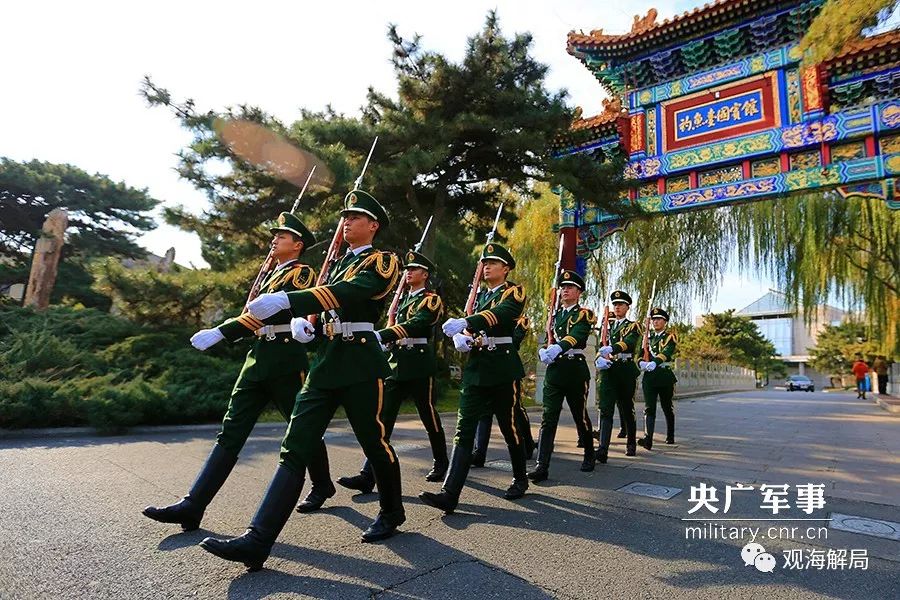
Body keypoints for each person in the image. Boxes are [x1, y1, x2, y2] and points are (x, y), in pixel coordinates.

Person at [198, 190, 405, 571]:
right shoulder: (337, 264)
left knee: (373, 443)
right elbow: (327, 302)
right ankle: (258, 540)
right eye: (344, 217)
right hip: (326, 364)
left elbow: (355, 292)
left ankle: (392, 511)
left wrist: (290, 302)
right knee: (294, 446)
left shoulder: (384, 260)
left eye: (354, 217)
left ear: (372, 225)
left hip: (360, 363)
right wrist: (308, 326)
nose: (345, 222)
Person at [142, 212, 334, 531]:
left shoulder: (301, 273)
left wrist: (224, 330)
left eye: (282, 236)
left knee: (302, 428)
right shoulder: (270, 275)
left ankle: (322, 483)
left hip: (285, 360)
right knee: (231, 430)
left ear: (297, 245)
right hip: (257, 359)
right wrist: (225, 331)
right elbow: (253, 317)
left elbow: (281, 309)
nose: (274, 239)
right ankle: (194, 504)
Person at [420, 243, 529, 514]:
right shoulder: (477, 297)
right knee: (464, 428)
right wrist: (462, 338)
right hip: (477, 368)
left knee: (509, 427)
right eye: (484, 262)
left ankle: (520, 477)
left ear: (505, 268)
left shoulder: (513, 292)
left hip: (503, 369)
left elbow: (503, 314)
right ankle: (450, 493)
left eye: (492, 262)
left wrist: (466, 323)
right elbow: (472, 327)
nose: (486, 266)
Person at [336, 249, 448, 493]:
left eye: (413, 269)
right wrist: (388, 339)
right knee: (383, 420)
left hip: (418, 364)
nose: (408, 273)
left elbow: (417, 323)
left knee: (428, 415)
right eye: (406, 270)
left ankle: (441, 462)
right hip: (397, 363)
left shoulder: (431, 299)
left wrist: (384, 334)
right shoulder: (402, 300)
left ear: (425, 274)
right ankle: (369, 474)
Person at [529, 269, 597, 483]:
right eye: (563, 287)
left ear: (579, 292)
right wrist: (545, 349)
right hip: (555, 370)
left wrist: (557, 347)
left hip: (575, 370)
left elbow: (576, 336)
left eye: (570, 287)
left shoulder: (584, 314)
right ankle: (542, 465)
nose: (565, 290)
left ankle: (589, 452)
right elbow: (551, 338)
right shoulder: (554, 315)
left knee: (579, 415)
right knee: (548, 417)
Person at [470, 316, 535, 467]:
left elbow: (515, 342)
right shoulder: (487, 316)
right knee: (484, 412)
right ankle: (479, 453)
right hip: (487, 366)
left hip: (506, 366)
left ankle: (528, 443)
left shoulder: (518, 320)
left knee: (516, 410)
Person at [594, 290, 641, 461]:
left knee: (627, 407)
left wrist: (612, 349)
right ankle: (602, 449)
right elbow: (601, 346)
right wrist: (599, 359)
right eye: (615, 304)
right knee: (606, 408)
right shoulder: (607, 326)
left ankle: (631, 443)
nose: (617, 307)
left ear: (627, 307)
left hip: (625, 369)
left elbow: (629, 343)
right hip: (609, 370)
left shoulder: (633, 326)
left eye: (621, 304)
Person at [637, 308, 678, 449]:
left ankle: (670, 435)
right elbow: (640, 354)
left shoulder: (669, 337)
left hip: (664, 376)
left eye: (659, 319)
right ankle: (648, 438)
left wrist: (655, 362)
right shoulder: (647, 338)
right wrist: (641, 362)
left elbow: (666, 352)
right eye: (654, 319)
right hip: (649, 377)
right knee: (649, 408)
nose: (656, 322)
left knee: (667, 407)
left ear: (665, 322)